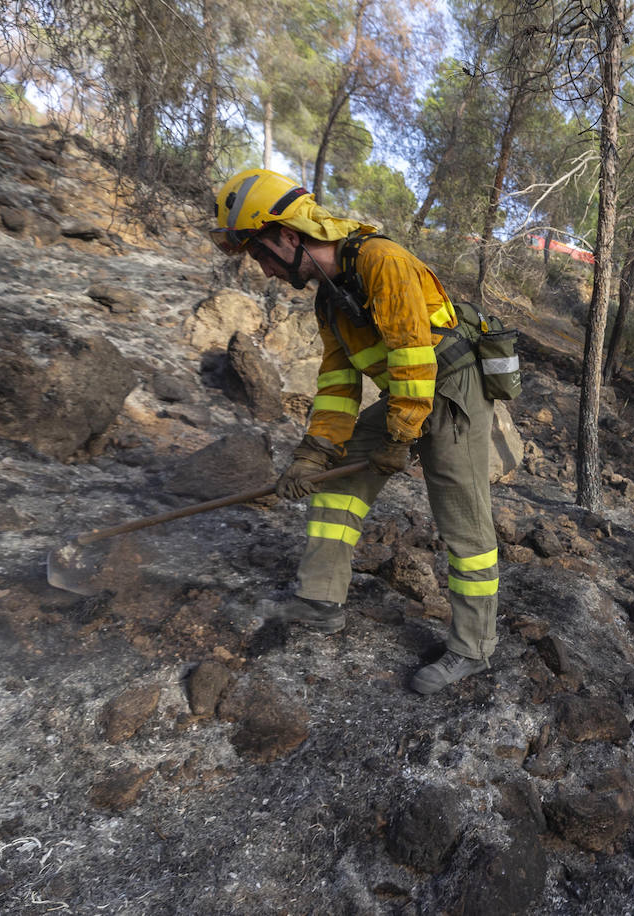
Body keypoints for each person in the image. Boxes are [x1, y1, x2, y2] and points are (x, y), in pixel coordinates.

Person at [211, 168, 499, 695]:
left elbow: (414, 357)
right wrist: (313, 454)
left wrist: (398, 439)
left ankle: (472, 649)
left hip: (454, 391)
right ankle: (320, 600)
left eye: (263, 255)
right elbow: (339, 381)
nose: (267, 271)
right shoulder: (328, 297)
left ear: (290, 236)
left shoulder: (380, 261)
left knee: (465, 525)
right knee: (337, 489)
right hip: (407, 397)